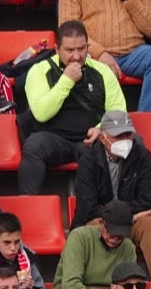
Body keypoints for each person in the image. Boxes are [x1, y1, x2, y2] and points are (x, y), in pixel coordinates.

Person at [18, 20, 123, 196]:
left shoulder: (102, 71)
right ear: (57, 49)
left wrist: (102, 129)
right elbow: (41, 114)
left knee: (128, 142)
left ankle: (116, 206)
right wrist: (66, 80)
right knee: (34, 145)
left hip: (91, 140)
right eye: (69, 50)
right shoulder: (39, 70)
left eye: (81, 49)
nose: (76, 56)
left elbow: (119, 111)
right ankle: (29, 204)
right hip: (54, 137)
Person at [72, 112, 151, 275]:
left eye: (127, 134)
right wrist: (129, 217)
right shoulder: (88, 160)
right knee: (96, 227)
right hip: (102, 220)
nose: (124, 140)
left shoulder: (142, 155)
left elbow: (147, 200)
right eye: (118, 136)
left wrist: (126, 217)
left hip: (132, 222)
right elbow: (88, 208)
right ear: (102, 138)